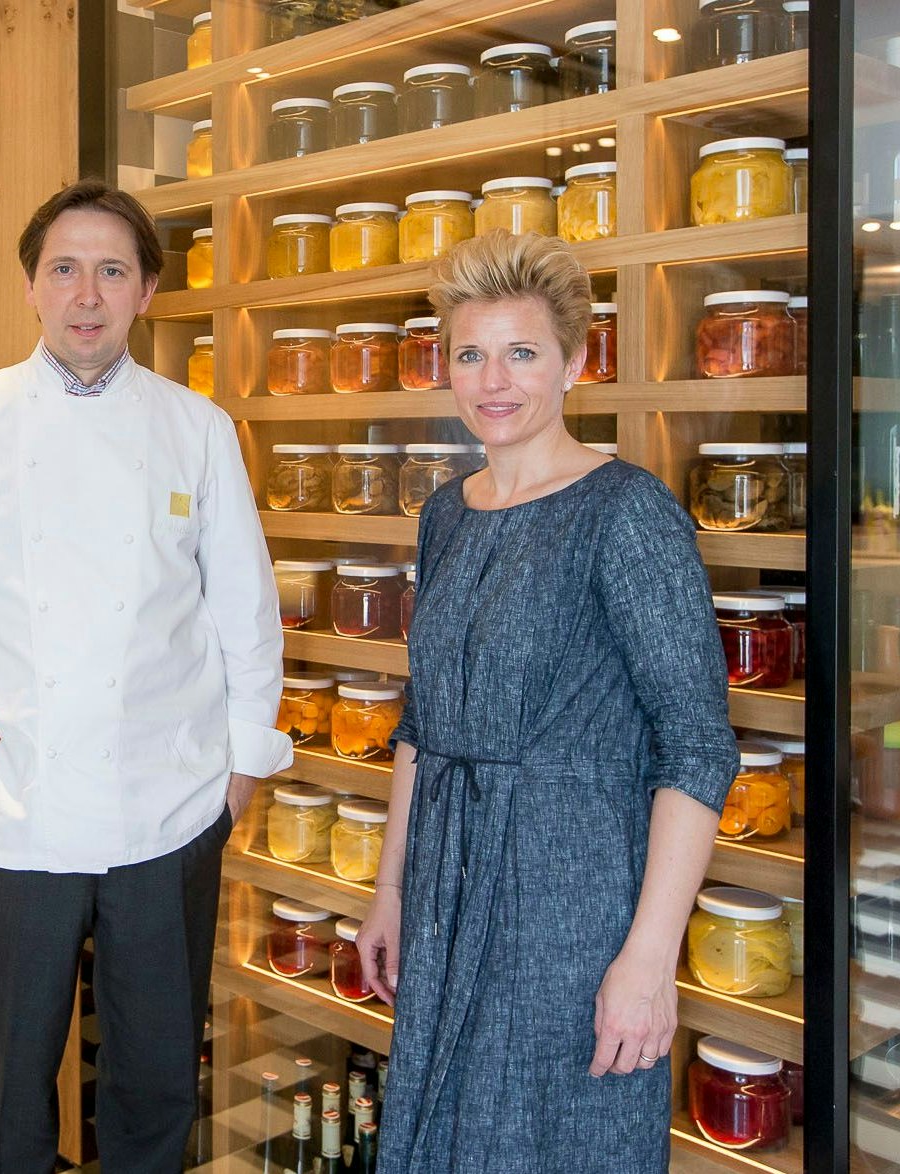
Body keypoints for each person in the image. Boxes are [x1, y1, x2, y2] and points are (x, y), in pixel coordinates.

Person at [0, 178, 291, 1173]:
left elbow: (243, 611)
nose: (87, 293)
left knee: (158, 1069)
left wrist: (241, 762)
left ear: (146, 292)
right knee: (10, 1068)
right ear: (31, 289)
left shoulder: (195, 428)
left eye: (111, 270)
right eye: (64, 269)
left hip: (169, 798)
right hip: (20, 799)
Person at [354, 231, 739, 1173]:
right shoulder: (445, 511)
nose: (495, 380)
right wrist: (392, 889)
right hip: (444, 891)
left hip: (568, 903)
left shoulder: (628, 513)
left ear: (575, 362)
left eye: (522, 353)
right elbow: (421, 721)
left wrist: (649, 959)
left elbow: (697, 749)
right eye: (471, 354)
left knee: (547, 1142)